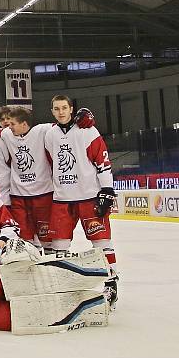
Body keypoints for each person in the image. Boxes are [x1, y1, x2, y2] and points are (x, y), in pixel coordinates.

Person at [44, 94, 118, 307]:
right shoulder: (50, 134)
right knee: (59, 245)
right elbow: (52, 161)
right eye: (56, 108)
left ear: (71, 108)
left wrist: (106, 188)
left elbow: (102, 160)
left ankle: (111, 282)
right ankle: (63, 285)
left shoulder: (88, 130)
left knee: (102, 242)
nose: (61, 112)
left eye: (64, 108)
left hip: (88, 196)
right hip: (62, 198)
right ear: (52, 112)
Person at [0, 107, 55, 250]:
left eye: (12, 123)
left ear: (24, 124)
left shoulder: (42, 130)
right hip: (18, 195)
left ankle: (49, 265)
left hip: (43, 193)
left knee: (46, 237)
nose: (8, 126)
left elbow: (63, 126)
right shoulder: (6, 134)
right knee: (23, 237)